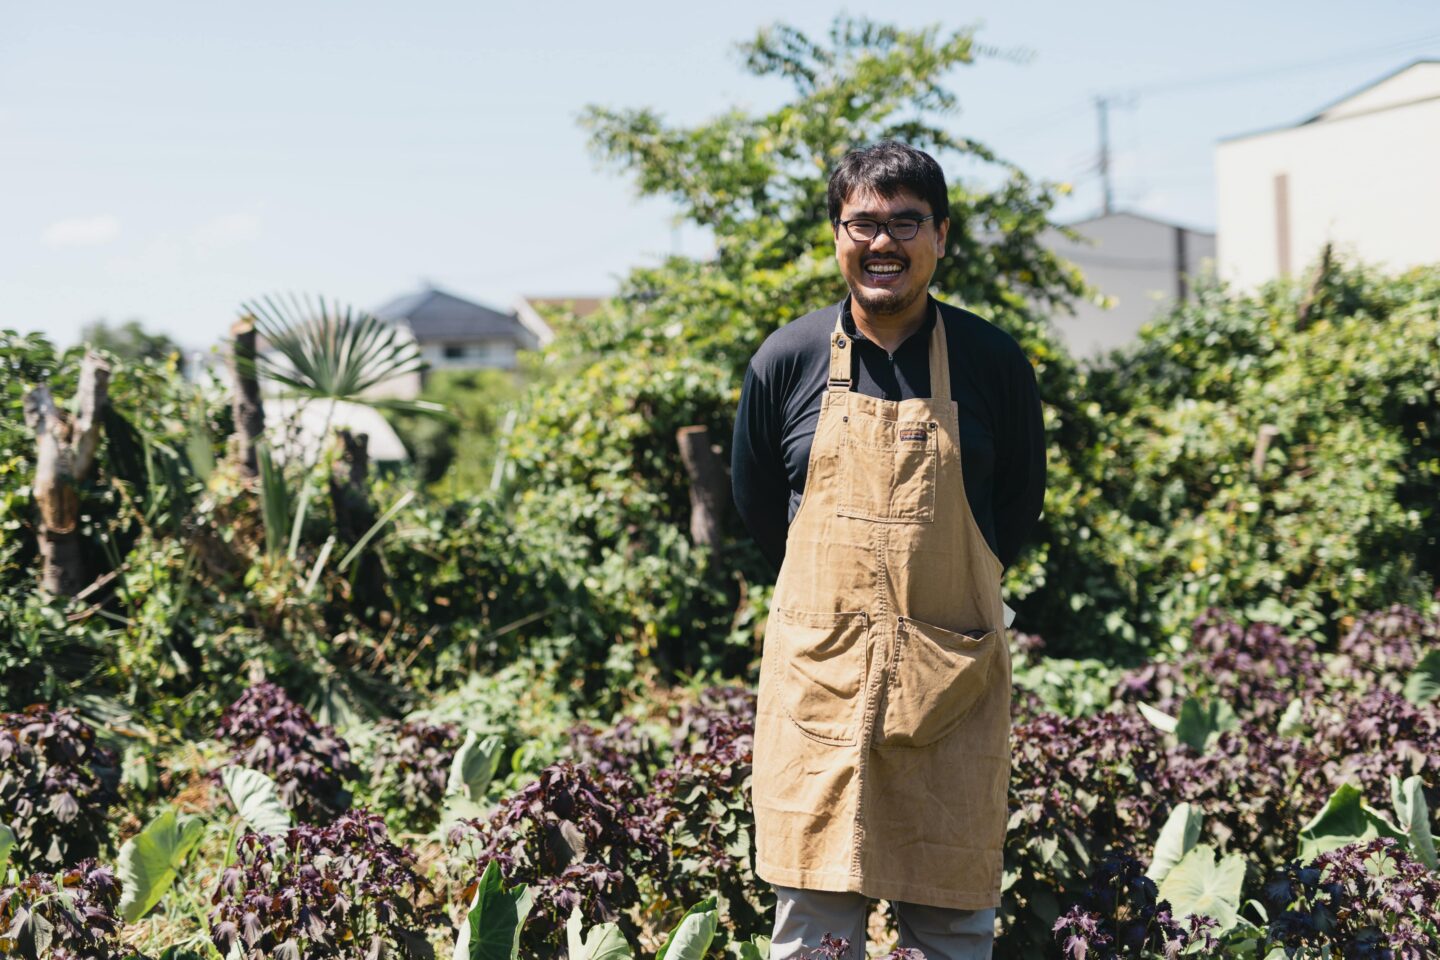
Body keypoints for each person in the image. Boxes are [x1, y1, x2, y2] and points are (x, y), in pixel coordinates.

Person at [730, 141, 1046, 960]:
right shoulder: (787, 360)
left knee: (949, 927)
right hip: (820, 685)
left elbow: (1016, 506)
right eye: (862, 222)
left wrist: (945, 595)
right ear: (836, 235)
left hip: (951, 684)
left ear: (942, 235)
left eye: (906, 221)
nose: (883, 242)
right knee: (813, 930)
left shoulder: (992, 362)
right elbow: (759, 504)